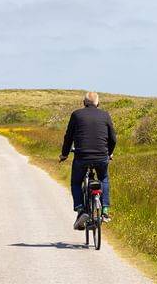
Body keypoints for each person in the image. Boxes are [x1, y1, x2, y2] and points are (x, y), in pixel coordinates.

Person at [59, 92, 116, 230]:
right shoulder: (105, 115)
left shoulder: (76, 115)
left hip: (82, 156)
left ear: (84, 103)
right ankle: (105, 210)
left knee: (76, 182)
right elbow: (113, 138)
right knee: (103, 179)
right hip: (102, 156)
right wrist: (109, 153)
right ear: (98, 103)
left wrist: (64, 154)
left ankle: (81, 210)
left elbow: (69, 137)